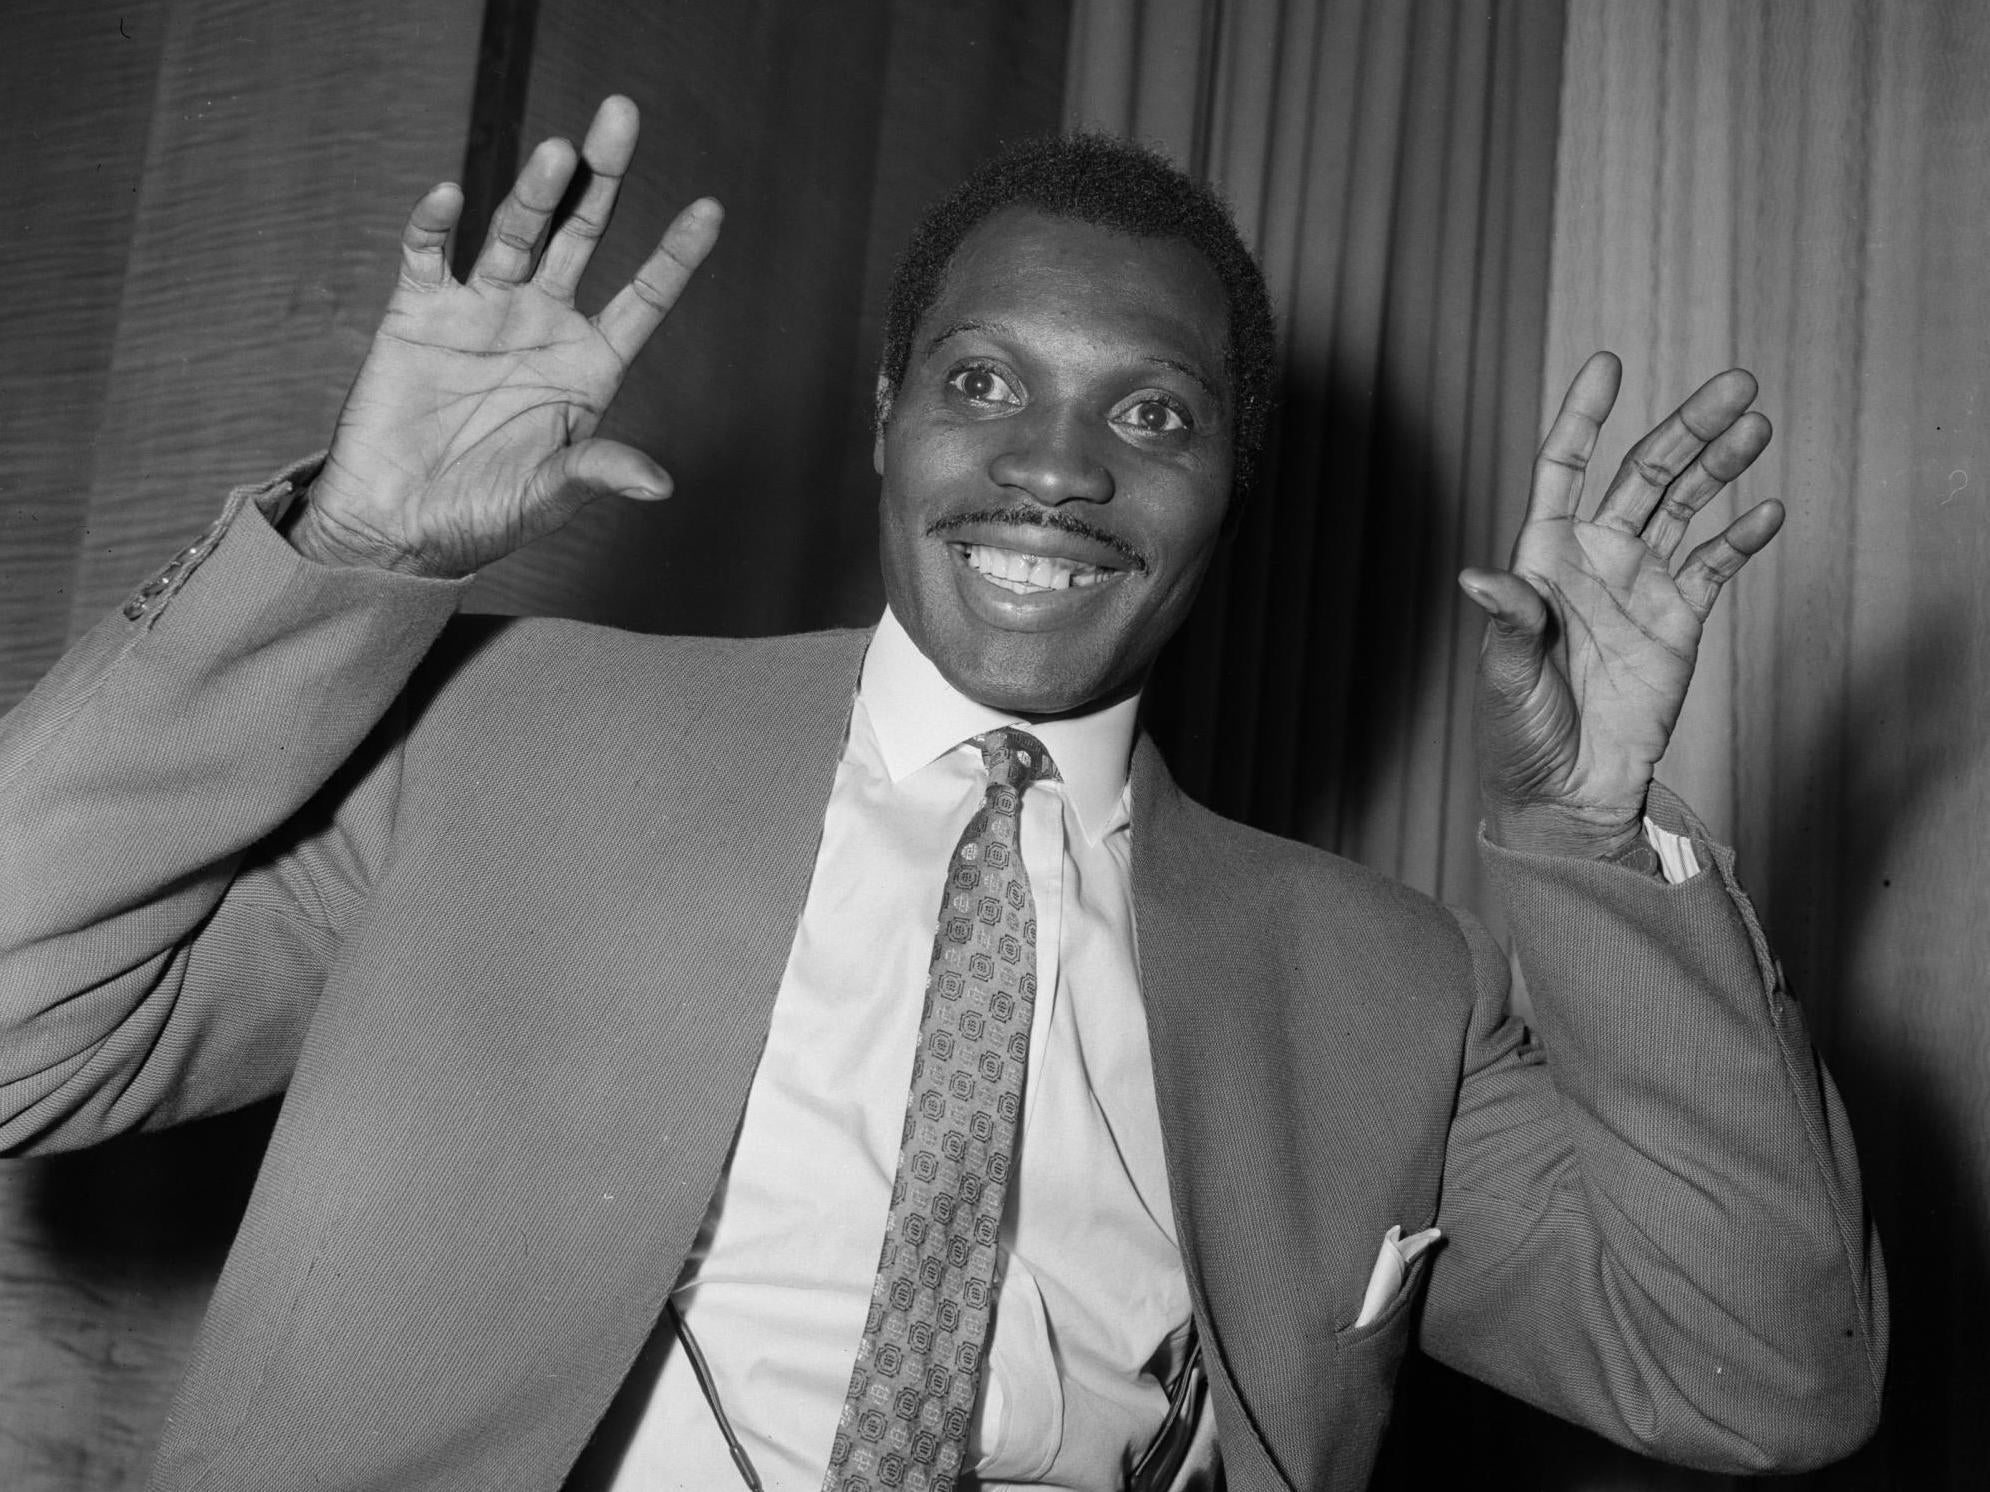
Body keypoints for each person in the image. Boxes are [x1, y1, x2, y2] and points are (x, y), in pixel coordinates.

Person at [0, 96, 1883, 1491]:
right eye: (983, 384)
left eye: (1152, 414)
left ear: (1234, 485)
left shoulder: (1382, 983)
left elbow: (1758, 1375)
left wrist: (1595, 823)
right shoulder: (509, 742)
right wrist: (349, 548)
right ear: (886, 417)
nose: (1054, 470)